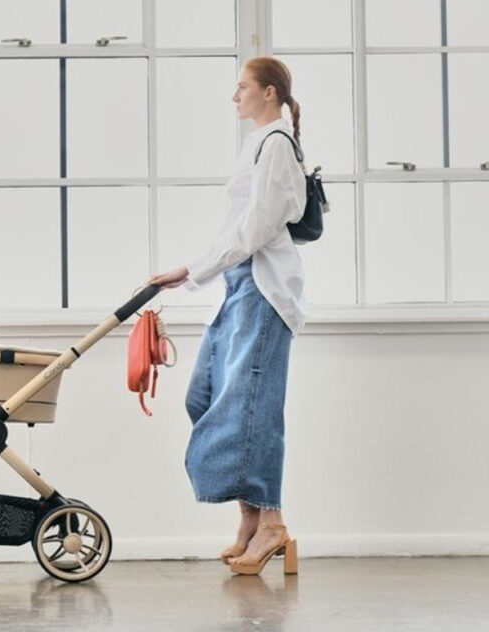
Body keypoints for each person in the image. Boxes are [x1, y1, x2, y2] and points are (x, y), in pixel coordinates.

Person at [147, 56, 306, 576]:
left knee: (255, 408)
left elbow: (258, 228)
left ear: (268, 93)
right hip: (239, 289)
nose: (233, 96)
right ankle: (251, 515)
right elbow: (236, 228)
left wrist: (195, 268)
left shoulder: (277, 144)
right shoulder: (258, 144)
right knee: (207, 396)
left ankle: (272, 523)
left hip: (263, 292)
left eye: (241, 87)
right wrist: (189, 273)